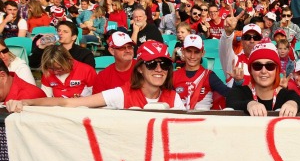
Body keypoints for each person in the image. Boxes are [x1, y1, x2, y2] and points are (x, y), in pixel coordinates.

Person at [7, 41, 184, 112]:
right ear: (139, 69)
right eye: (152, 64)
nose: (159, 69)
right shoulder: (122, 94)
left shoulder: (174, 98)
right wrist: (26, 102)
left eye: (165, 64)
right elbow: (67, 102)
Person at [226, 42, 300, 116]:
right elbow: (231, 102)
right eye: (257, 66)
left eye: (270, 66)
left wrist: (292, 103)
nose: (263, 71)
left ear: (277, 70)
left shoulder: (287, 95)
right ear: (251, 71)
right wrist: (249, 104)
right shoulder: (239, 92)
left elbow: (299, 101)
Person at [173, 34, 230, 110]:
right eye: (189, 51)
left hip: (204, 120)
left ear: (203, 53)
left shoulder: (209, 75)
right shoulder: (174, 76)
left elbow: (230, 94)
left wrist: (238, 82)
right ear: (183, 51)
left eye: (196, 52)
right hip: (178, 119)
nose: (192, 56)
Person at [29, 21, 95, 69]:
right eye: (59, 31)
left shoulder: (84, 53)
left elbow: (89, 72)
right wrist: (41, 47)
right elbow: (33, 64)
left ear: (73, 37)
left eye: (65, 32)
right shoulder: (51, 50)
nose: (60, 33)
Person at [220, 18, 262, 87]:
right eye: (247, 37)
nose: (252, 41)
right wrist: (227, 33)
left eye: (256, 37)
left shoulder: (267, 64)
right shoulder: (234, 61)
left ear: (261, 41)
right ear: (242, 41)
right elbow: (225, 49)